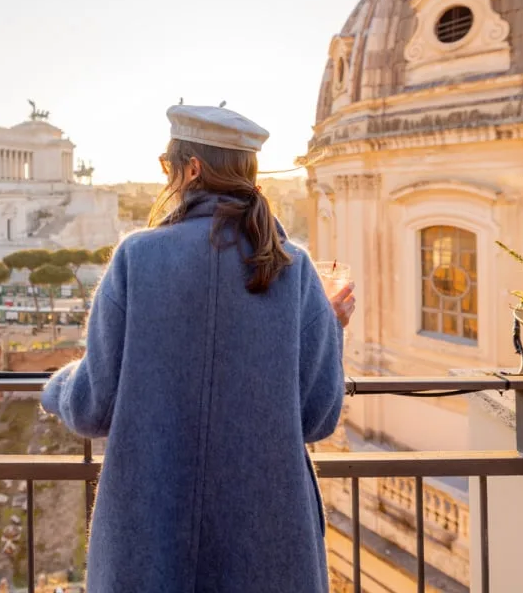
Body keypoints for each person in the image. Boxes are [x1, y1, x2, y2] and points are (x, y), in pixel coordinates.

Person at [42, 102, 355, 592]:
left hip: (149, 550)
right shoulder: (295, 269)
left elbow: (89, 408)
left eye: (168, 166)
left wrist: (55, 385)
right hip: (269, 553)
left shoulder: (136, 257)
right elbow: (317, 418)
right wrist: (330, 326)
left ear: (190, 169)